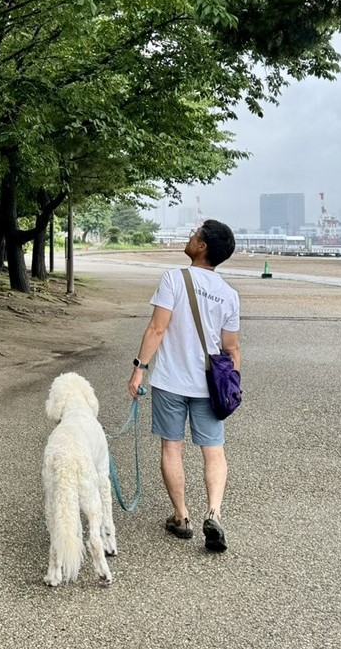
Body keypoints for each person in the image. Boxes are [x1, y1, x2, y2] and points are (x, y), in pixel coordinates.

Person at [128, 219, 241, 553]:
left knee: (171, 448)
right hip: (210, 385)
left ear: (202, 246)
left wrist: (139, 369)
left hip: (170, 382)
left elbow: (157, 329)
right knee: (214, 450)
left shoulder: (173, 279)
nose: (190, 238)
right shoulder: (229, 295)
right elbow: (231, 348)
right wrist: (230, 385)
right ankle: (215, 512)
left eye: (195, 235)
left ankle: (182, 517)